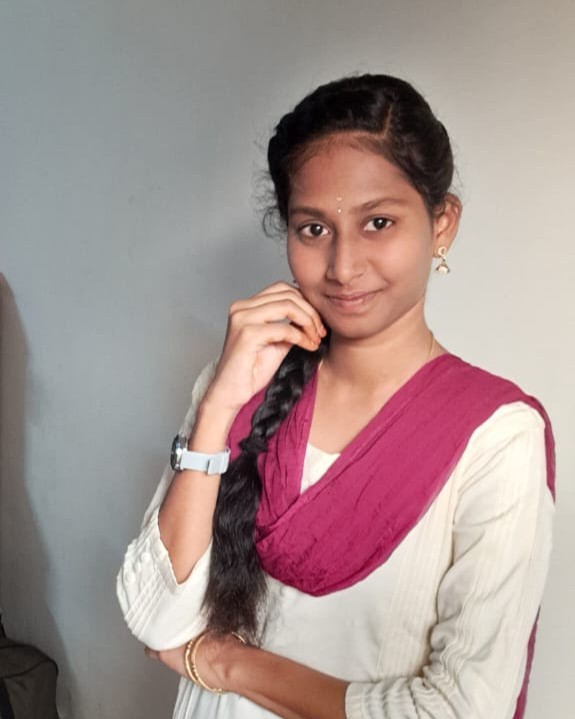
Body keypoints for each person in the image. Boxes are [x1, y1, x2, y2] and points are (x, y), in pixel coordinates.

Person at [116, 74, 555, 719]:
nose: (344, 267)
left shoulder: (496, 436)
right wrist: (217, 406)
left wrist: (232, 664)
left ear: (442, 224)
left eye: (378, 222)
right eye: (314, 229)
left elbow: (462, 709)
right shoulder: (243, 383)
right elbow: (155, 619)